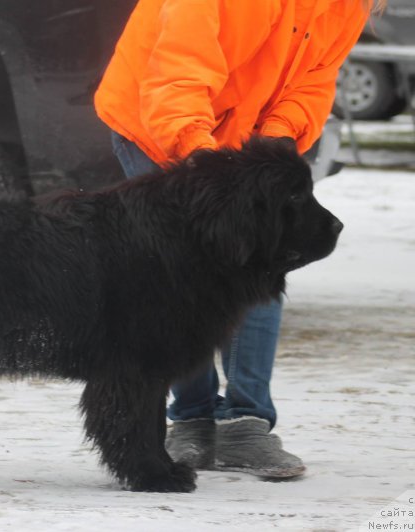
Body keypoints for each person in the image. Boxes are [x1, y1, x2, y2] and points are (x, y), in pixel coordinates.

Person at [94, 0, 380, 478]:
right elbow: (177, 76)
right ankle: (192, 419)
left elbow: (314, 79)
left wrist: (275, 142)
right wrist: (208, 166)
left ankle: (246, 423)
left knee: (265, 259)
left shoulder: (350, 5)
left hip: (244, 135)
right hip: (159, 122)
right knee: (184, 276)